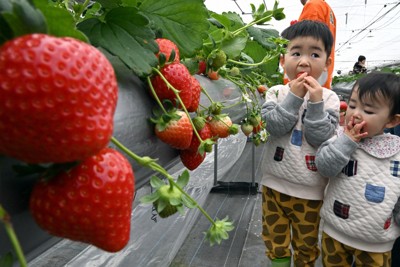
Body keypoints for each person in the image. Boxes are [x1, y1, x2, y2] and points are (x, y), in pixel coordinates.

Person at [260, 20, 340, 267]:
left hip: (311, 191)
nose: (304, 61)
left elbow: (322, 139)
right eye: (296, 53)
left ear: (327, 62)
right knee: (275, 240)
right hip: (273, 185)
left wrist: (315, 104)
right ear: (284, 60)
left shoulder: (330, 99)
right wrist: (294, 97)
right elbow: (274, 126)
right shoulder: (275, 92)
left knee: (305, 245)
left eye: (314, 54)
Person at [315, 72, 400, 266]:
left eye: (368, 111)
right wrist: (347, 141)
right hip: (335, 231)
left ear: (391, 121)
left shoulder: (397, 152)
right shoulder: (339, 138)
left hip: (377, 242)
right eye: (352, 105)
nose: (356, 113)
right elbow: (324, 167)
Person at [283, 0, 336, 89]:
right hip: (321, 79)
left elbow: (307, 41)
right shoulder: (327, 9)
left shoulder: (314, 6)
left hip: (305, 83)